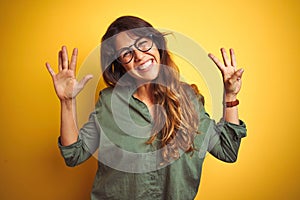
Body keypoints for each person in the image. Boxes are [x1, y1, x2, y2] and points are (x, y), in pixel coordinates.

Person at [45, 16, 246, 200]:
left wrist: (230, 96)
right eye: (126, 53)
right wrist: (67, 102)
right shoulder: (108, 102)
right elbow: (74, 154)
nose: (140, 56)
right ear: (120, 64)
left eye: (143, 44)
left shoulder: (189, 100)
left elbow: (227, 150)